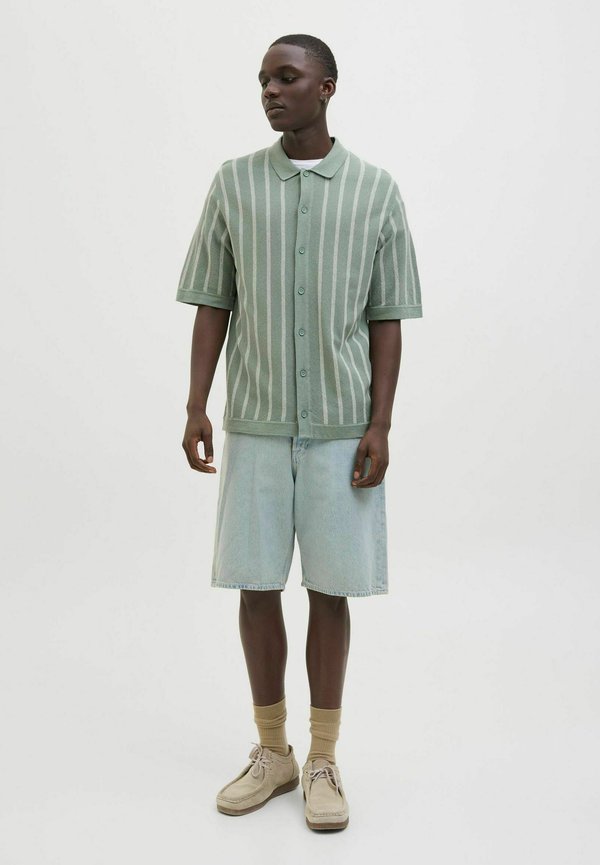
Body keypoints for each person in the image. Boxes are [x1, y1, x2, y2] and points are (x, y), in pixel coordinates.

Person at [175, 33, 423, 831]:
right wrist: (196, 403)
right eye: (263, 80)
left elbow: (387, 316)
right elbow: (213, 299)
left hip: (343, 428)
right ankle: (272, 749)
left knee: (330, 590)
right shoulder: (233, 182)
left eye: (287, 78)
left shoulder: (376, 190)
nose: (271, 91)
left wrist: (381, 422)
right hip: (255, 422)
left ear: (327, 87)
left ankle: (322, 756)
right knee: (255, 586)